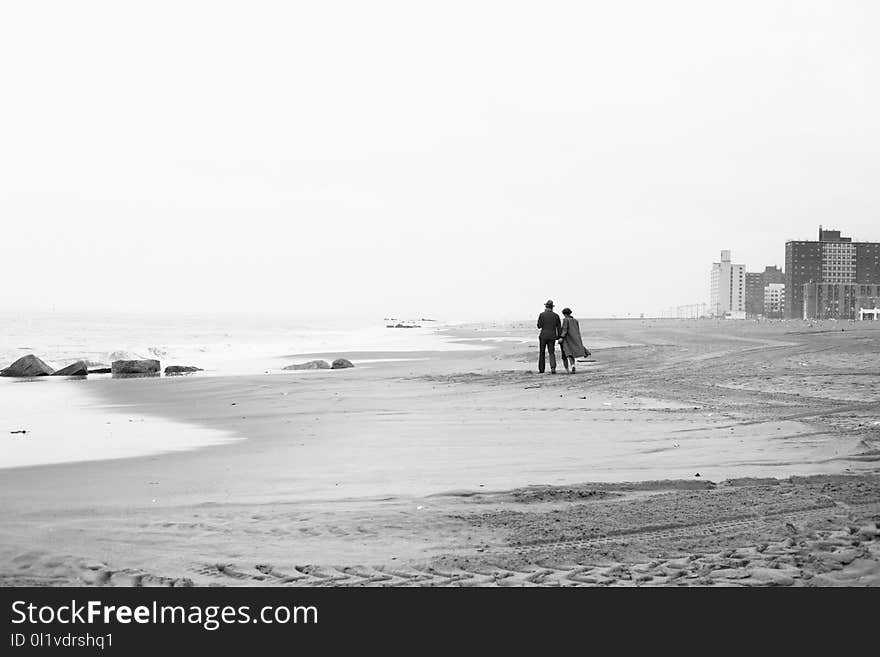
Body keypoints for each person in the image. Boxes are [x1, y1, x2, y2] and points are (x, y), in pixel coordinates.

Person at [558, 307, 589, 373]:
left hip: (567, 339)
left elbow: (565, 330)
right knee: (573, 352)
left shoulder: (565, 320)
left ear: (564, 314)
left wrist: (561, 337)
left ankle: (568, 370)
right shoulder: (575, 320)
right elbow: (577, 330)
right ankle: (573, 365)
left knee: (568, 353)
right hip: (575, 338)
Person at [536, 299, 561, 373]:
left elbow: (539, 326)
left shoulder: (542, 314)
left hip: (543, 335)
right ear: (552, 307)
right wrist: (559, 337)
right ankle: (553, 367)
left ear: (546, 306)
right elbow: (559, 328)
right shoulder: (556, 316)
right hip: (552, 336)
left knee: (542, 353)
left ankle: (541, 369)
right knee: (551, 352)